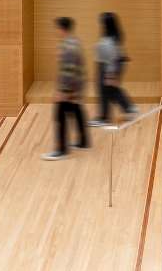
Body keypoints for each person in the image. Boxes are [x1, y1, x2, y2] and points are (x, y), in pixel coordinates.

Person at [42, 17, 89, 161]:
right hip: (77, 86)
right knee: (76, 110)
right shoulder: (75, 42)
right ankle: (83, 142)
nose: (55, 31)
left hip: (69, 88)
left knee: (60, 116)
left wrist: (63, 92)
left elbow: (67, 71)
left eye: (56, 28)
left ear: (62, 29)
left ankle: (61, 150)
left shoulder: (67, 47)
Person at [89, 11, 137, 127]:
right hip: (114, 64)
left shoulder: (107, 41)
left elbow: (110, 59)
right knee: (110, 90)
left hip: (106, 66)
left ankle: (104, 118)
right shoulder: (115, 36)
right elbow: (116, 54)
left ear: (106, 24)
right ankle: (129, 108)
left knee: (104, 90)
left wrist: (111, 76)